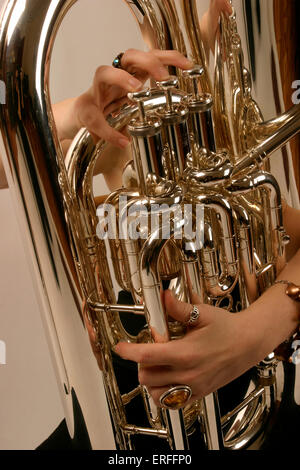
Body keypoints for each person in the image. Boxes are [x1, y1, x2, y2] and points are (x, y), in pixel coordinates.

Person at [1, 0, 299, 450]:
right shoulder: (202, 46)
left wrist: (253, 334)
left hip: (264, 377)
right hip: (139, 382)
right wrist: (86, 118)